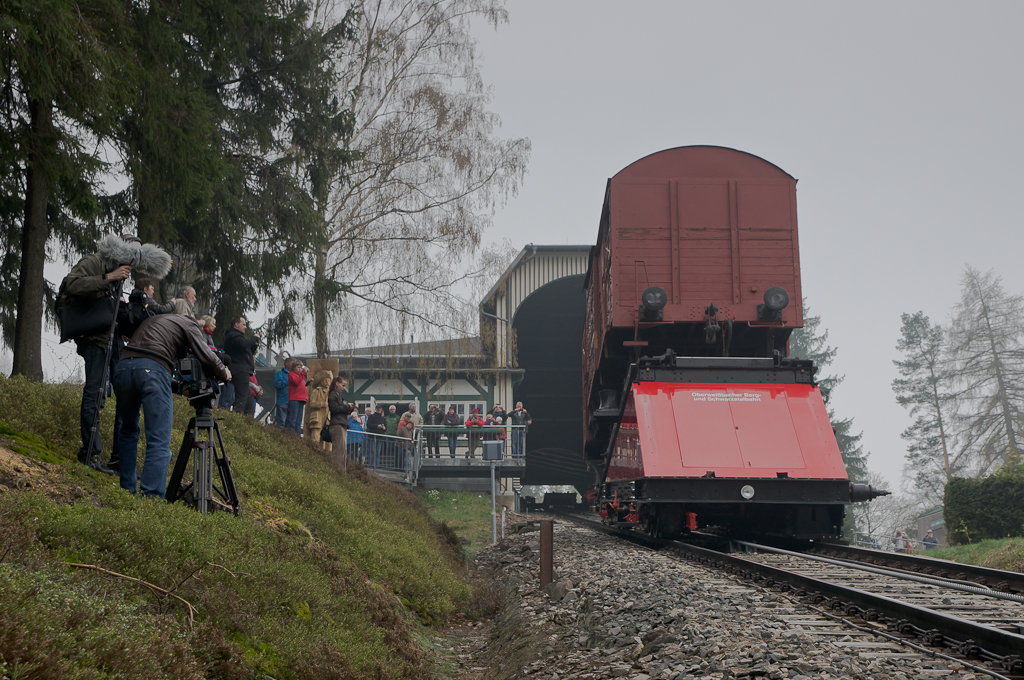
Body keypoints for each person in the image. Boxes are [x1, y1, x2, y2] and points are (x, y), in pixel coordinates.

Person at [55, 233, 171, 474]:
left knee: (126, 397)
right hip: (95, 339)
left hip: (114, 338)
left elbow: (113, 310)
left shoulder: (121, 277)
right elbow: (71, 285)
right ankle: (90, 454)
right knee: (95, 393)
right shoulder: (94, 262)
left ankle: (121, 461)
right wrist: (108, 277)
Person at [113, 314, 230, 498]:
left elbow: (150, 369)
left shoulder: (157, 322)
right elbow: (206, 354)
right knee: (158, 439)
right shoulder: (189, 324)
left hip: (123, 368)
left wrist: (180, 388)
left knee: (127, 431)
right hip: (153, 368)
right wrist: (224, 373)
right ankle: (151, 497)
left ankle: (126, 491)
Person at [222, 316, 260, 414]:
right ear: (236, 324)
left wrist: (254, 345)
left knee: (245, 394)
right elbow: (244, 344)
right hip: (239, 369)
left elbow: (246, 351)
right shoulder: (233, 335)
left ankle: (243, 419)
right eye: (243, 324)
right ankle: (237, 418)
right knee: (242, 396)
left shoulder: (236, 337)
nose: (245, 327)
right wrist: (254, 338)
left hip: (241, 368)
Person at [327, 376, 353, 471]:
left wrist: (349, 409)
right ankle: (337, 471)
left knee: (342, 450)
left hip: (341, 424)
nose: (343, 388)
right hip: (337, 424)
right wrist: (346, 407)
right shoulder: (333, 395)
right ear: (337, 384)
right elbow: (334, 409)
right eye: (343, 385)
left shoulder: (337, 396)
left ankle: (341, 471)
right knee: (338, 450)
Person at [304, 369, 333, 448]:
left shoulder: (330, 392)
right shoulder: (316, 391)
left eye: (329, 380)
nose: (327, 382)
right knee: (315, 439)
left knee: (325, 441)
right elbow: (312, 404)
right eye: (325, 380)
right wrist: (322, 404)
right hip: (317, 418)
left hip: (326, 419)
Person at [287, 361, 308, 436]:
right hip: (294, 399)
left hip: (301, 399)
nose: (300, 369)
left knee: (299, 420)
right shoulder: (292, 375)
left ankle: (296, 435)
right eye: (298, 367)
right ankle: (291, 435)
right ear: (294, 368)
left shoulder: (300, 377)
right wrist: (303, 373)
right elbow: (295, 382)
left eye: (300, 367)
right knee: (293, 418)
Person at [274, 358, 294, 428]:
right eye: (292, 363)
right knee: (281, 422)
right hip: (283, 401)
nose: (293, 366)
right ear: (286, 364)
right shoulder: (280, 373)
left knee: (290, 423)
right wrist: (287, 381)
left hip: (292, 402)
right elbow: (277, 385)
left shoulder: (294, 375)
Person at [365, 404, 387, 469]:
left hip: (380, 437)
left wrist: (384, 428)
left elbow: (386, 428)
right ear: (375, 409)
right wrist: (377, 426)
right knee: (372, 451)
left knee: (377, 453)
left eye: (380, 409)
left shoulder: (383, 418)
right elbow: (368, 425)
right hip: (372, 437)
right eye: (377, 408)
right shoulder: (371, 416)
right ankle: (371, 465)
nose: (379, 410)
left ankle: (376, 466)